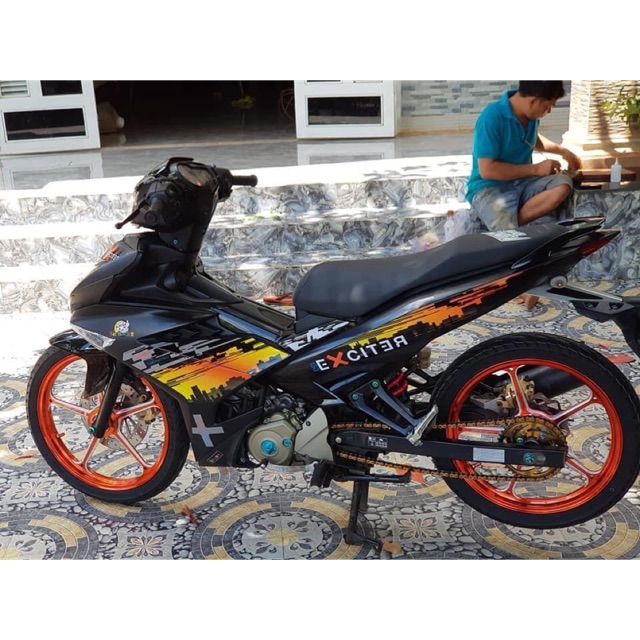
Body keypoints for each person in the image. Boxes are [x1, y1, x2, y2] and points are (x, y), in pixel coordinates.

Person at [466, 80, 582, 308]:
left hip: (522, 184)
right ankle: (524, 285)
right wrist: (535, 169)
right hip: (488, 188)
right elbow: (488, 169)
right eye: (548, 106)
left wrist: (563, 151)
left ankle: (503, 222)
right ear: (533, 100)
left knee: (563, 184)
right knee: (511, 240)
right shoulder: (492, 118)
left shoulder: (530, 116)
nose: (548, 111)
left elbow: (533, 139)